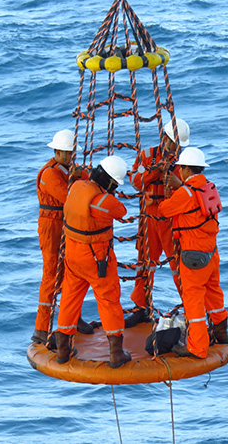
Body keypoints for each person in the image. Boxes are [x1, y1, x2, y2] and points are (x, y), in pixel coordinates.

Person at [55, 155, 132, 368]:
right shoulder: (104, 201)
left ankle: (63, 349)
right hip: (97, 259)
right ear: (110, 182)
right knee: (109, 300)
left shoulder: (77, 187)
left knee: (70, 299)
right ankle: (116, 353)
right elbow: (121, 211)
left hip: (72, 255)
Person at [157, 147, 228, 358]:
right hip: (211, 252)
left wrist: (172, 191)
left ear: (187, 168)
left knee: (193, 299)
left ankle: (197, 347)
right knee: (214, 293)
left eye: (180, 168)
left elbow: (164, 210)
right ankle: (221, 334)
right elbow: (195, 202)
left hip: (193, 256)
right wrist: (180, 187)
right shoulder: (208, 187)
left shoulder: (185, 193)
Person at [124, 118, 190, 328]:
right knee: (145, 262)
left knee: (179, 265)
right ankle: (141, 308)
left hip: (172, 218)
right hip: (149, 217)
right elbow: (136, 182)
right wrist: (157, 170)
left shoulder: (184, 161)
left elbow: (190, 192)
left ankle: (191, 308)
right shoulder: (146, 156)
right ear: (165, 138)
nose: (176, 148)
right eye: (174, 143)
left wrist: (177, 184)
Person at [32, 129, 93, 344]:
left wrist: (81, 175)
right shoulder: (49, 173)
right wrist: (77, 178)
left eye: (71, 153)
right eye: (66, 154)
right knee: (50, 275)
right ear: (57, 152)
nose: (69, 158)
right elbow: (69, 196)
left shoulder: (68, 169)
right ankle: (41, 328)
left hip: (67, 225)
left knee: (71, 272)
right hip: (51, 227)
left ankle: (73, 319)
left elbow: (89, 181)